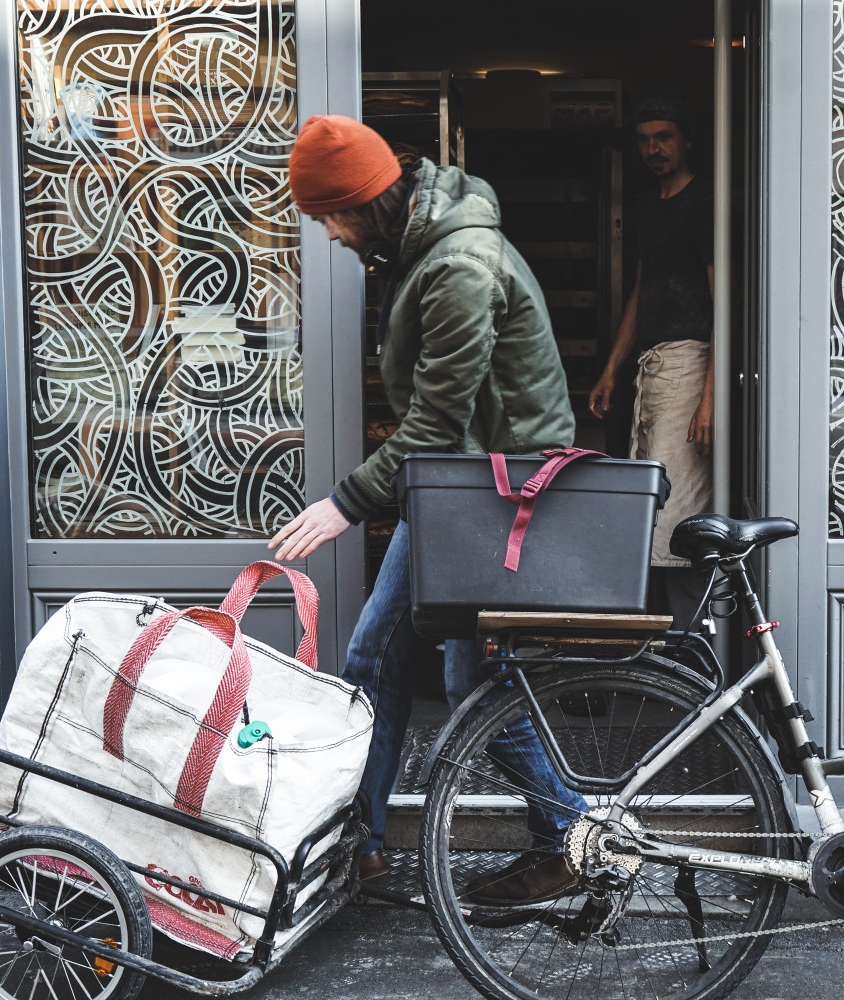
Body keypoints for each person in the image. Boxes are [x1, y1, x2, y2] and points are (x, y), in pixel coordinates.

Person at [270, 115, 587, 906]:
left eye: (330, 218)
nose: (330, 235)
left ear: (365, 202)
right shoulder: (414, 251)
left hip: (497, 492)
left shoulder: (459, 265)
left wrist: (346, 503)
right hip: (457, 484)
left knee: (472, 677)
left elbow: (437, 422)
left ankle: (570, 836)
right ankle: (362, 847)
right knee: (375, 660)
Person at [589, 94, 714, 629]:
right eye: (643, 139)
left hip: (691, 363)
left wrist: (711, 399)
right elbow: (643, 289)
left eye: (663, 136)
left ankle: (693, 642)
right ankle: (661, 645)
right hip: (651, 366)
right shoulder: (647, 204)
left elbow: (722, 299)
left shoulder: (704, 200)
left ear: (687, 139)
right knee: (650, 502)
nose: (653, 148)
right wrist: (613, 368)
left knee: (678, 503)